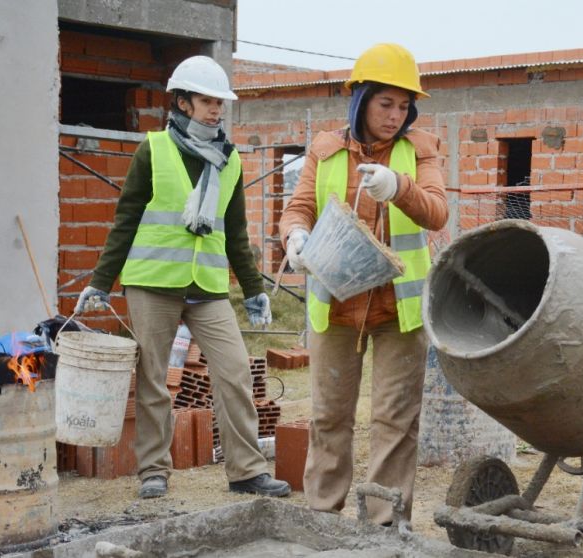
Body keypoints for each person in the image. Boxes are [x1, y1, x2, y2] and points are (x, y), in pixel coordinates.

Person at [75, 55, 290, 500]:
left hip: (208, 289)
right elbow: (126, 219)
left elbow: (236, 235)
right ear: (183, 102)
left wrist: (254, 292)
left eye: (219, 103)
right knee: (154, 378)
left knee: (234, 373)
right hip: (153, 282)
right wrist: (101, 281)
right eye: (207, 101)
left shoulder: (228, 162)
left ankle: (247, 470)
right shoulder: (153, 149)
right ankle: (154, 469)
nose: (216, 110)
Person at [279, 43, 448, 525]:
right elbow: (299, 207)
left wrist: (399, 187)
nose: (396, 116)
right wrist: (295, 236)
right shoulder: (325, 149)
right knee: (329, 418)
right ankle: (322, 519)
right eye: (385, 104)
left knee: (394, 421)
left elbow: (437, 211)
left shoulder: (420, 150)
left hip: (400, 311)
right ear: (361, 99)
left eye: (403, 106)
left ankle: (383, 527)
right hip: (337, 304)